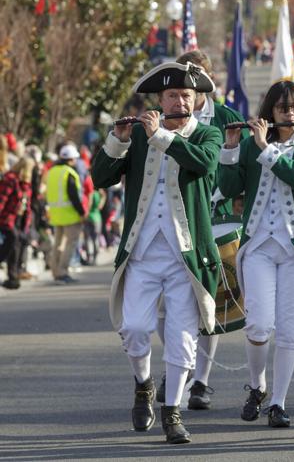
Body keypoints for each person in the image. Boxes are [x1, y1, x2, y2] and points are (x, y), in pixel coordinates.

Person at [91, 61, 222, 444]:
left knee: (183, 338)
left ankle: (173, 411)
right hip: (144, 253)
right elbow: (101, 178)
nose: (179, 101)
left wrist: (162, 136)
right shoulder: (139, 134)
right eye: (171, 95)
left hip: (187, 258)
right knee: (133, 328)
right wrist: (117, 140)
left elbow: (204, 165)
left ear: (197, 101)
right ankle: (144, 385)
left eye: (186, 95)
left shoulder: (207, 135)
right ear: (159, 100)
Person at [218, 80, 294, 429]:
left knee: (292, 330)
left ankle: (278, 402)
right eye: (282, 108)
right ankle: (258, 385)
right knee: (260, 323)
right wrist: (232, 149)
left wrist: (264, 146)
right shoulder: (250, 145)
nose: (289, 113)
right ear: (270, 112)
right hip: (259, 246)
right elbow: (231, 187)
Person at [149, 50, 248, 411]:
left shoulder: (226, 118)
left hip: (217, 218)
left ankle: (201, 381)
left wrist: (237, 198)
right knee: (165, 308)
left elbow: (242, 165)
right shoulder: (161, 119)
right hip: (174, 222)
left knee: (212, 304)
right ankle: (178, 362)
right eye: (182, 78)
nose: (188, 85)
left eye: (197, 76)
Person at [46, 143, 86, 284]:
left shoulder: (52, 171)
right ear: (71, 159)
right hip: (70, 215)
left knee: (57, 244)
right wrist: (81, 212)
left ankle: (55, 272)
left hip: (56, 214)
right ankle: (63, 272)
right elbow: (73, 196)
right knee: (70, 244)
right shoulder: (69, 173)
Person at [0, 157, 35, 289]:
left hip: (18, 219)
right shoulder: (10, 179)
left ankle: (13, 277)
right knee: (12, 241)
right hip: (6, 218)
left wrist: (27, 222)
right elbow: (2, 200)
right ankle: (12, 276)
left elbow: (27, 203)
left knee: (17, 245)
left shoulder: (25, 183)